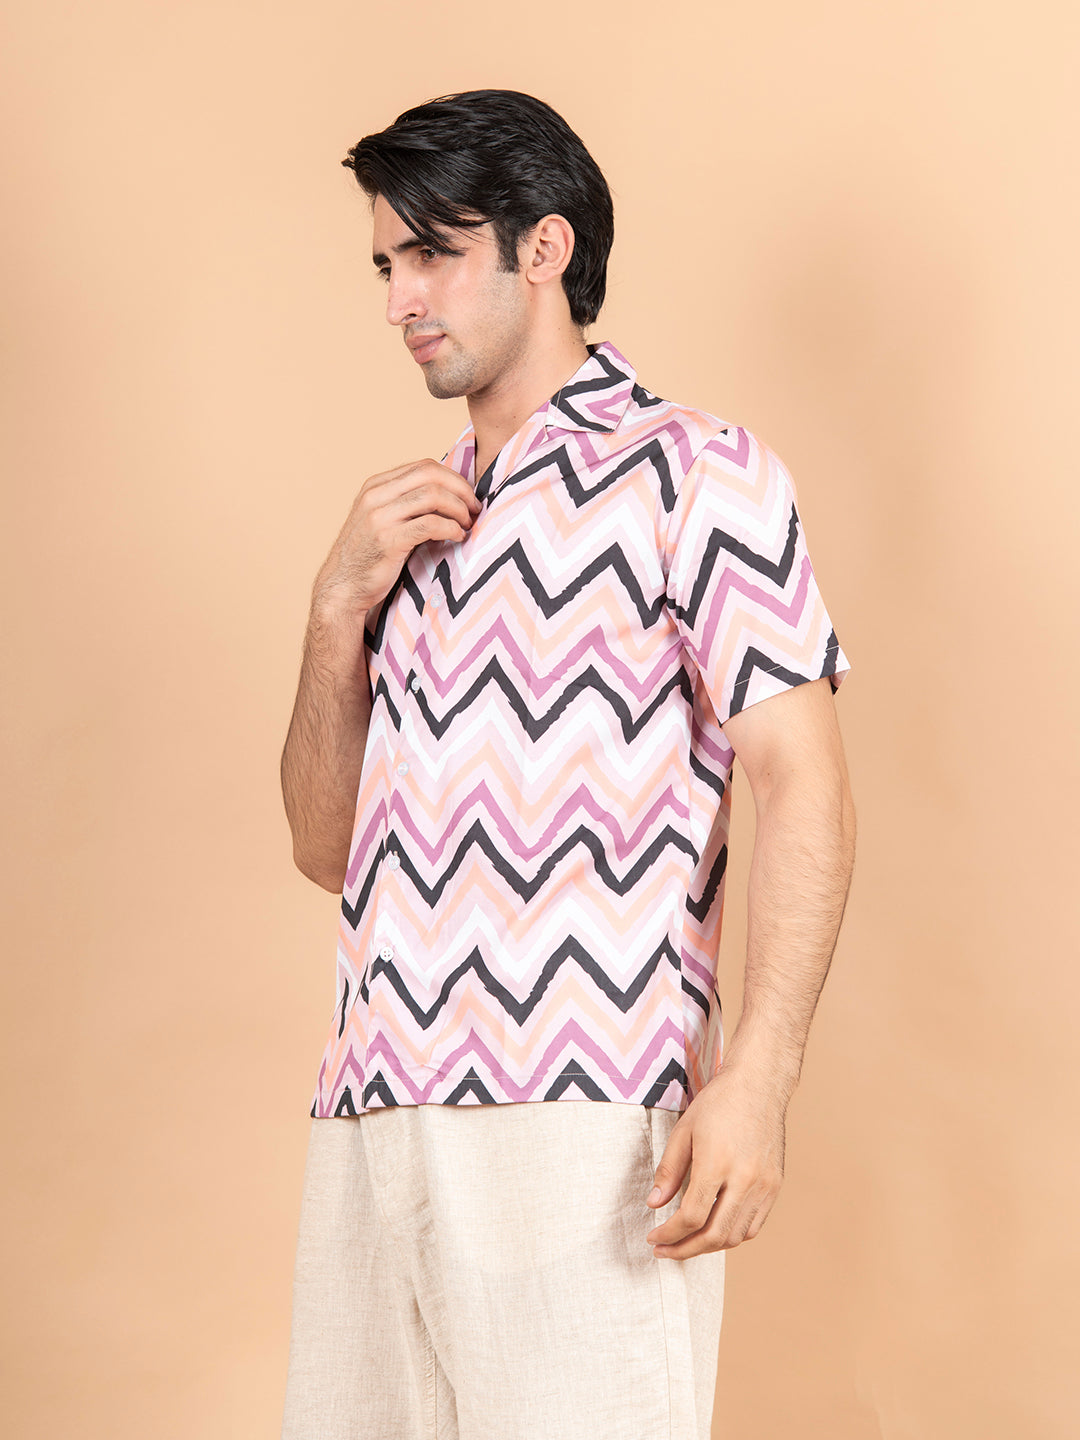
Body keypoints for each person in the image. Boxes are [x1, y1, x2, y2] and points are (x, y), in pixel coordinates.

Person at [278, 88, 856, 1440]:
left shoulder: (696, 471)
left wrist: (759, 1077)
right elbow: (324, 848)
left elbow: (803, 782)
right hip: (374, 1108)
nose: (399, 298)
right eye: (385, 264)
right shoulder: (408, 525)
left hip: (581, 1108)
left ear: (545, 247)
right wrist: (333, 608)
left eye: (433, 254)